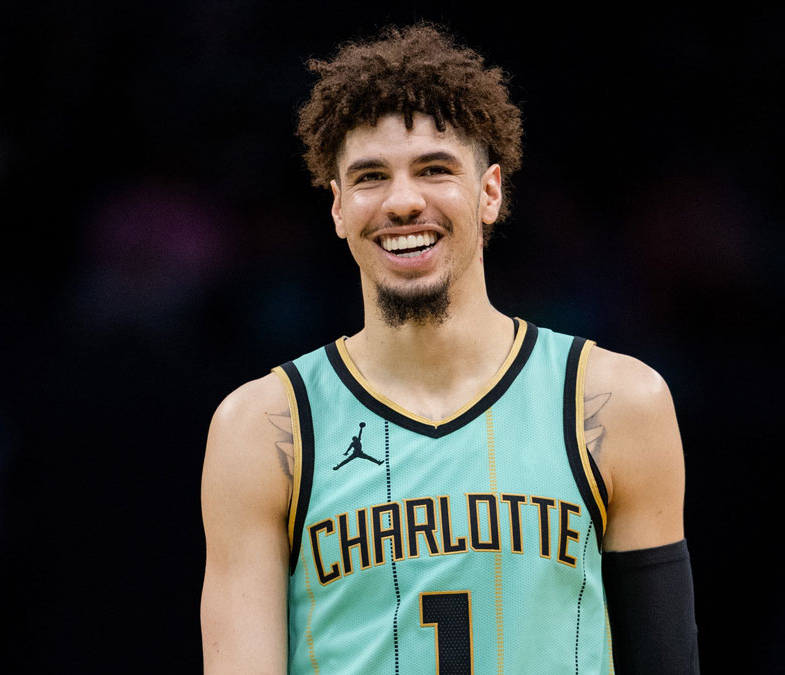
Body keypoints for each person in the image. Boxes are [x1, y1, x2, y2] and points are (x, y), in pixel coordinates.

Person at [200, 24, 697, 674]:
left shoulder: (617, 403)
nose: (404, 201)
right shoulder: (262, 429)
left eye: (434, 170)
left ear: (490, 192)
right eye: (371, 177)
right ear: (338, 208)